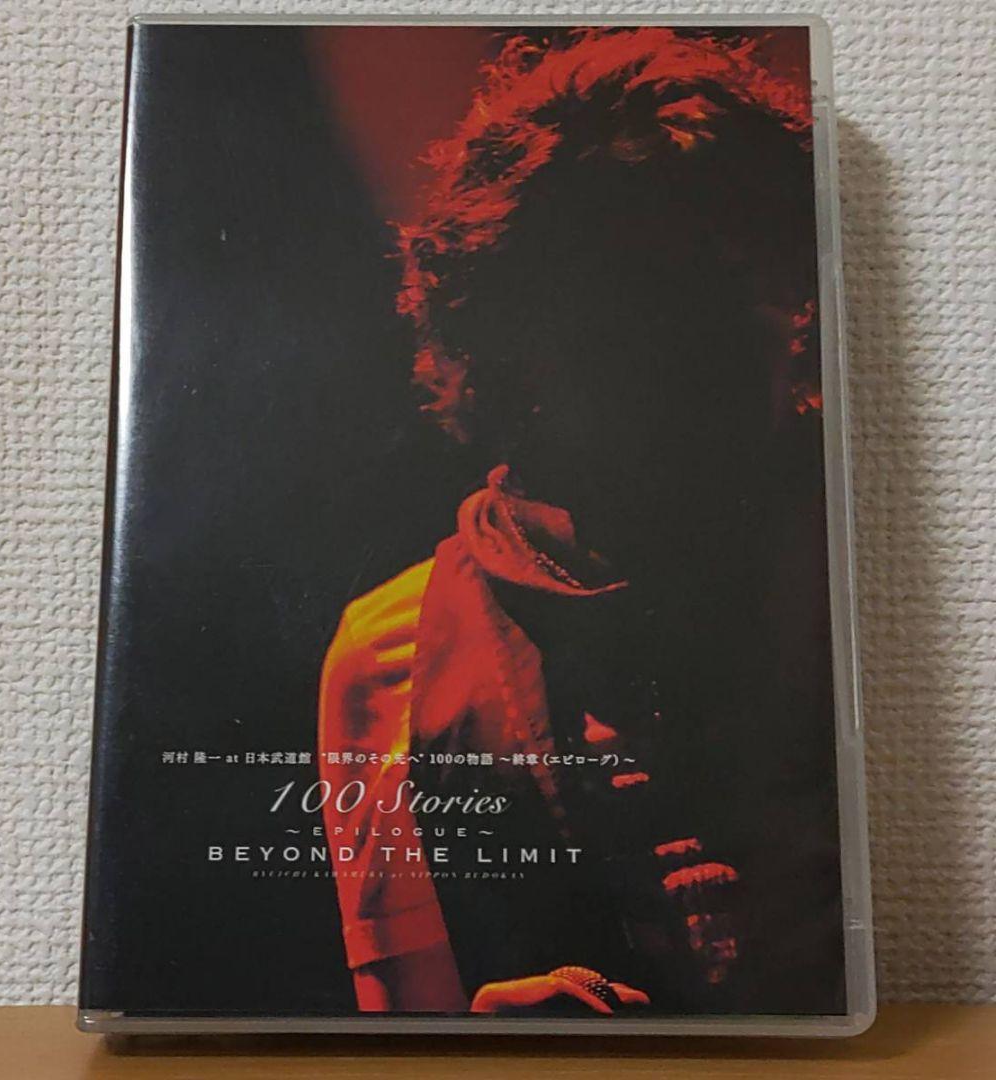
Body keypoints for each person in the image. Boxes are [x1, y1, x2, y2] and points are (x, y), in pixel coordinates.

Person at [319, 27, 843, 1015]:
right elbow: (407, 1033)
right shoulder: (393, 654)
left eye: (745, 293)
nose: (703, 363)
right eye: (640, 311)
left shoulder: (862, 574)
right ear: (518, 343)